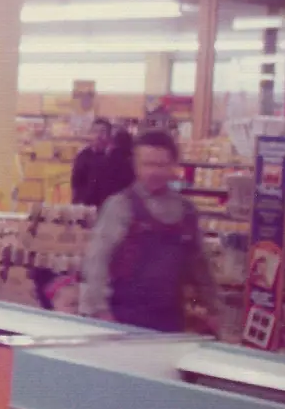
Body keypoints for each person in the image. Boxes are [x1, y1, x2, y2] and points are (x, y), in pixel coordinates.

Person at [80, 130, 229, 334]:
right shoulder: (120, 206)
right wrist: (100, 311)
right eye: (147, 164)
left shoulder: (186, 211)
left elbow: (199, 265)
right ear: (135, 165)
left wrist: (213, 308)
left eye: (161, 165)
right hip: (122, 317)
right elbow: (97, 260)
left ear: (174, 165)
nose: (154, 172)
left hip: (170, 318)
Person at [71, 118, 118, 207]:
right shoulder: (83, 156)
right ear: (90, 134)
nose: (98, 135)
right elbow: (75, 183)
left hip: (108, 208)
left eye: (103, 132)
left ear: (109, 135)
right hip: (85, 206)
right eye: (95, 131)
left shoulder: (114, 158)